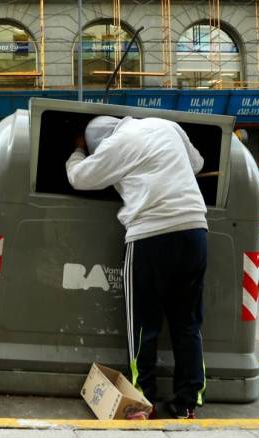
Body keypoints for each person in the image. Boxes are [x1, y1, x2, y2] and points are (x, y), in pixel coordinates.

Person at [65, 115, 207, 419]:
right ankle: (186, 403)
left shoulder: (114, 145)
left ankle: (143, 401)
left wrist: (79, 150)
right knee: (188, 322)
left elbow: (79, 177)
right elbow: (197, 164)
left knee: (143, 326)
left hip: (150, 236)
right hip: (195, 230)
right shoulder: (165, 124)